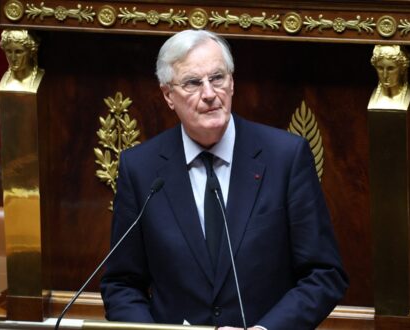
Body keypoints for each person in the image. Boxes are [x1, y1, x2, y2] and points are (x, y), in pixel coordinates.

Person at [100, 30, 348, 330]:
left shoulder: (285, 157)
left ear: (231, 83)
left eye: (217, 78)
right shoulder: (140, 169)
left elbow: (324, 274)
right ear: (168, 95)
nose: (209, 93)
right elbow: (121, 284)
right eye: (192, 82)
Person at [367, 44, 410, 110]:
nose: (385, 75)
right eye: (380, 68)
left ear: (402, 69)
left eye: (391, 68)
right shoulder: (371, 96)